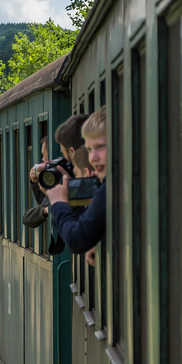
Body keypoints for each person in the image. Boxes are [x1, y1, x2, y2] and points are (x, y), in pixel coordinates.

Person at [45, 107, 107, 255]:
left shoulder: (107, 190)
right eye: (90, 149)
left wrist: (59, 204)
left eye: (100, 147)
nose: (93, 158)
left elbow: (77, 240)